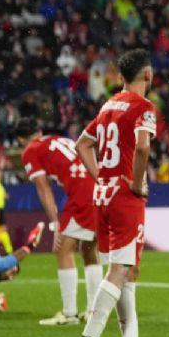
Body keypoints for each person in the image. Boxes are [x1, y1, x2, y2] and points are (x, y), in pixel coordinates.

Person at [71, 49, 165, 337]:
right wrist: (137, 184)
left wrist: (102, 176)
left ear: (121, 76)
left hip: (102, 195)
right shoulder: (144, 107)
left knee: (127, 268)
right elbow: (142, 146)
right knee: (120, 269)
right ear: (148, 76)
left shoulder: (109, 105)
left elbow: (82, 144)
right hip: (125, 198)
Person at [16, 118, 103, 326]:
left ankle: (70, 313)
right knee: (90, 249)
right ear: (39, 129)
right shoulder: (58, 140)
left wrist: (55, 223)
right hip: (99, 186)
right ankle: (93, 311)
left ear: (20, 139)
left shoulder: (30, 151)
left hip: (82, 193)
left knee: (63, 249)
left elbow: (43, 187)